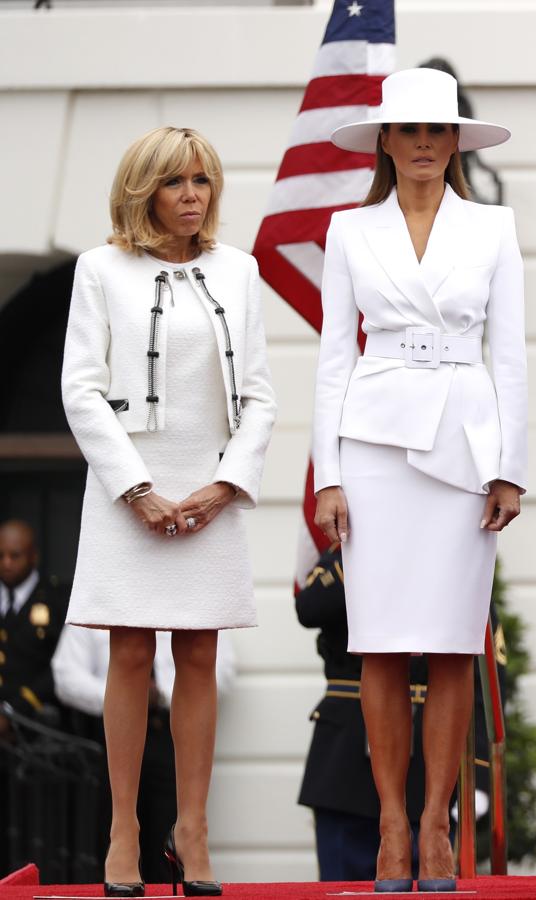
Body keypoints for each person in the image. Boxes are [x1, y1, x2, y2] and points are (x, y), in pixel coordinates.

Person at [313, 67, 526, 892]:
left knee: (448, 643)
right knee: (379, 641)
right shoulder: (346, 231)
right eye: (410, 132)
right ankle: (392, 830)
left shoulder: (495, 228)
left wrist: (511, 467)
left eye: (439, 132)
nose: (425, 147)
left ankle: (438, 827)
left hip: (465, 443)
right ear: (385, 143)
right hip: (372, 441)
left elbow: (508, 352)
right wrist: (328, 474)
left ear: (455, 143)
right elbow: (334, 356)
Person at [61, 126, 276, 897]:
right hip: (130, 484)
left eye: (203, 181)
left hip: (209, 487)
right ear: (142, 190)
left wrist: (226, 486)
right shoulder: (100, 269)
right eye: (176, 182)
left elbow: (259, 395)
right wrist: (136, 489)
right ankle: (125, 829)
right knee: (127, 653)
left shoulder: (240, 270)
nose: (193, 196)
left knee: (197, 655)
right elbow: (80, 388)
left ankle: (194, 829)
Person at [51, 625, 237, 885]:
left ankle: (193, 832)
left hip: (167, 732)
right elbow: (66, 673)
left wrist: (161, 695)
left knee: (200, 648)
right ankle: (123, 834)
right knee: (129, 644)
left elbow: (223, 669)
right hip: (111, 735)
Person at [294, 543, 429, 881]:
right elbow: (310, 607)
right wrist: (363, 550)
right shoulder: (352, 556)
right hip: (346, 764)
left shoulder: (442, 557)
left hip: (426, 757)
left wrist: (479, 778)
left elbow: (478, 678)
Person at [0, 519, 69, 731]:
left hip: (37, 722)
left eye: (15, 556)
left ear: (33, 557)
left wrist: (15, 711)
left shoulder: (57, 600)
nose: (6, 563)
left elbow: (62, 664)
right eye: (1, 556)